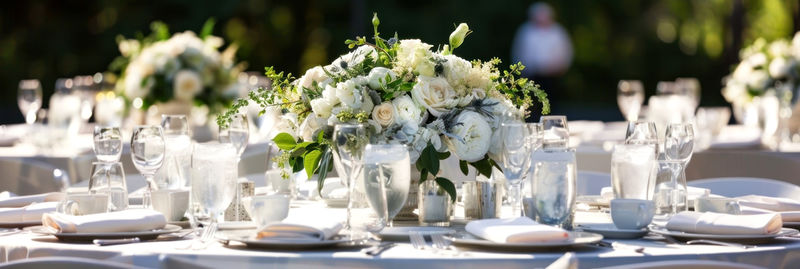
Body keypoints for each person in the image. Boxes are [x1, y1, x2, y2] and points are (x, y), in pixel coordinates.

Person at [511, 2, 573, 120]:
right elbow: (519, 52)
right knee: (532, 107)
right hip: (532, 76)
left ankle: (552, 126)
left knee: (552, 106)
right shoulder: (526, 31)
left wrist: (561, 67)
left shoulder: (558, 32)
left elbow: (566, 52)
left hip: (553, 76)